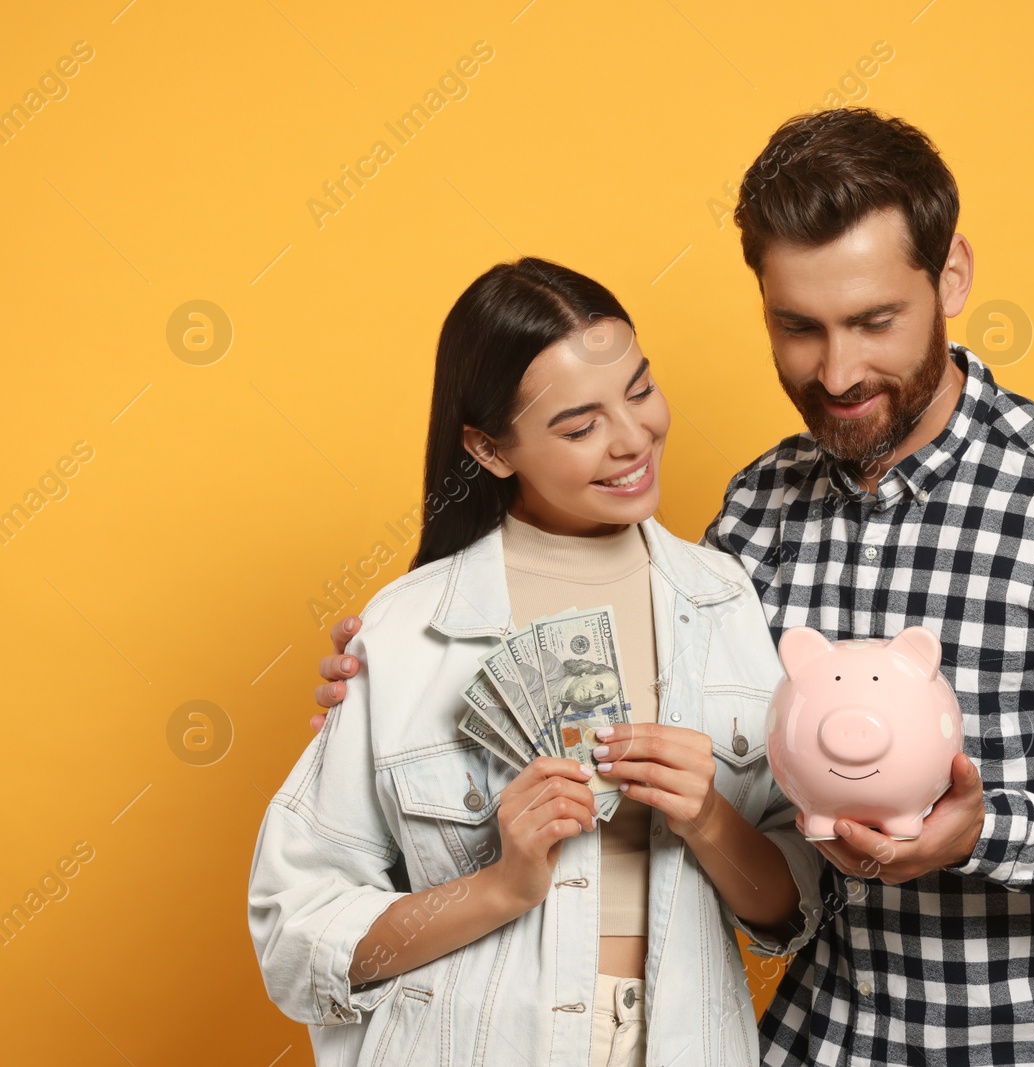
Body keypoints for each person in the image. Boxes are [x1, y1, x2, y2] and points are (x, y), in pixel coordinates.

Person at [313, 109, 1034, 1066]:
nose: (839, 372)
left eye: (875, 321)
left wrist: (984, 831)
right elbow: (651, 702)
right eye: (798, 327)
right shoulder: (757, 512)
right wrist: (409, 675)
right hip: (824, 1042)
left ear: (953, 277)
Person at [250, 258, 823, 1067]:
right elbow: (296, 937)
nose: (632, 438)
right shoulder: (409, 629)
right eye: (579, 425)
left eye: (639, 388)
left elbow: (792, 911)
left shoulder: (724, 598)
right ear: (489, 448)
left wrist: (707, 817)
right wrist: (500, 885)